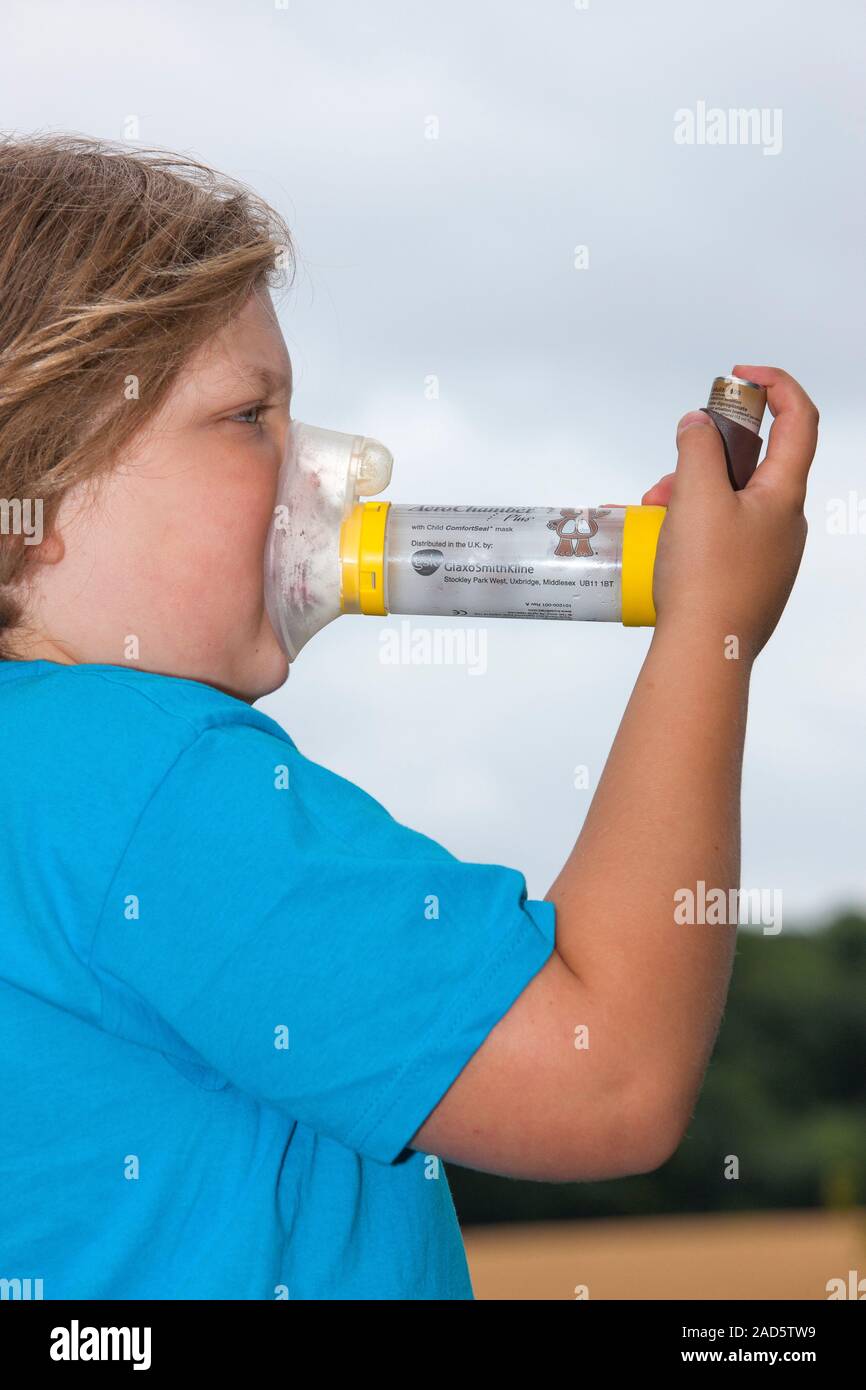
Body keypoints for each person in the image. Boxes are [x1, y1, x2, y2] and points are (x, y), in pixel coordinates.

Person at [0, 134, 819, 1301]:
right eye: (248, 417)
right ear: (31, 497)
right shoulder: (142, 780)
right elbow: (608, 1076)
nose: (330, 474)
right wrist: (709, 634)